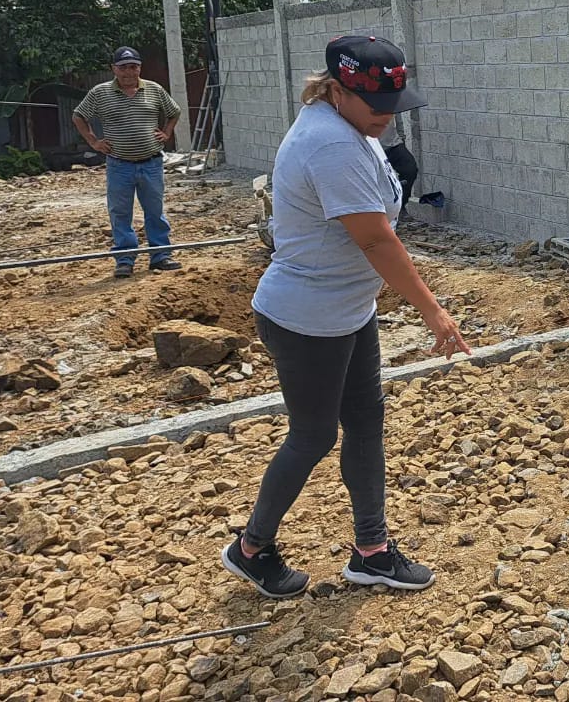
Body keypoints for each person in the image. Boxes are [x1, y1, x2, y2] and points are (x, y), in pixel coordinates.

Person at [221, 35, 470, 599]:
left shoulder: (350, 126)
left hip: (346, 310)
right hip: (307, 318)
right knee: (312, 436)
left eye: (393, 105)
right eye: (376, 105)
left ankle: (372, 551)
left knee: (365, 421)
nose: (387, 116)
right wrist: (434, 312)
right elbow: (376, 241)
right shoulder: (329, 143)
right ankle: (251, 549)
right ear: (337, 89)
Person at [72, 46, 182, 279]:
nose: (129, 72)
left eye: (133, 67)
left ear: (139, 68)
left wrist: (167, 132)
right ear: (114, 69)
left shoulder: (154, 89)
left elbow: (174, 111)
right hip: (119, 165)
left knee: (155, 211)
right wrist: (93, 142)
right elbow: (79, 116)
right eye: (123, 67)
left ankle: (161, 255)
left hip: (151, 163)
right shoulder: (100, 93)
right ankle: (125, 259)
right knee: (120, 212)